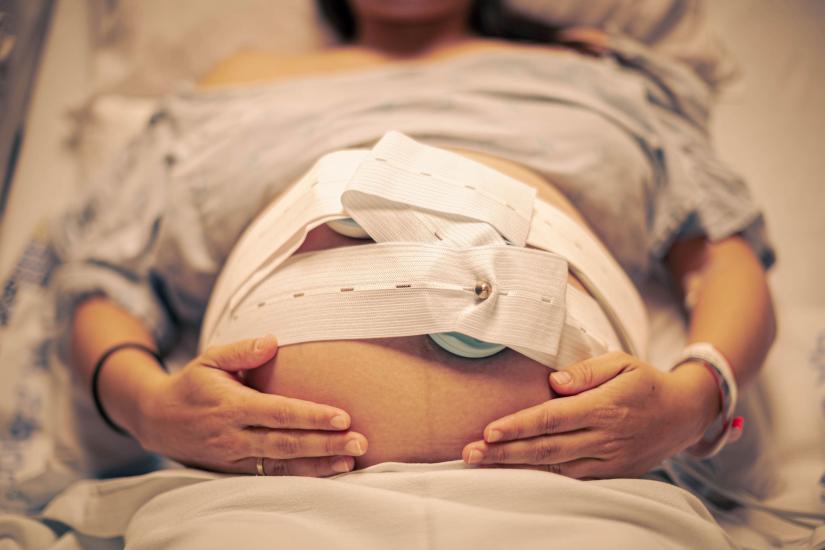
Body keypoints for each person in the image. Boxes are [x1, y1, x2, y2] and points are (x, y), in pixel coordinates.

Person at [66, 0, 775, 479]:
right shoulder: (226, 88)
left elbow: (721, 253)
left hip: (584, 489)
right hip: (262, 495)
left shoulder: (594, 73)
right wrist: (151, 410)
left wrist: (691, 403)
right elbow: (106, 285)